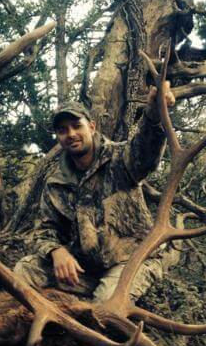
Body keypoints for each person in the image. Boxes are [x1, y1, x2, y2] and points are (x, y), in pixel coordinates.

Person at [14, 82, 176, 302]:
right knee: (25, 271)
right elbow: (44, 230)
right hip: (86, 270)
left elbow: (146, 153)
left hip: (133, 261)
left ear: (91, 127)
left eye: (76, 126)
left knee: (105, 308)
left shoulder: (121, 157)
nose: (71, 134)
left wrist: (153, 115)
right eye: (62, 130)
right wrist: (56, 251)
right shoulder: (56, 183)